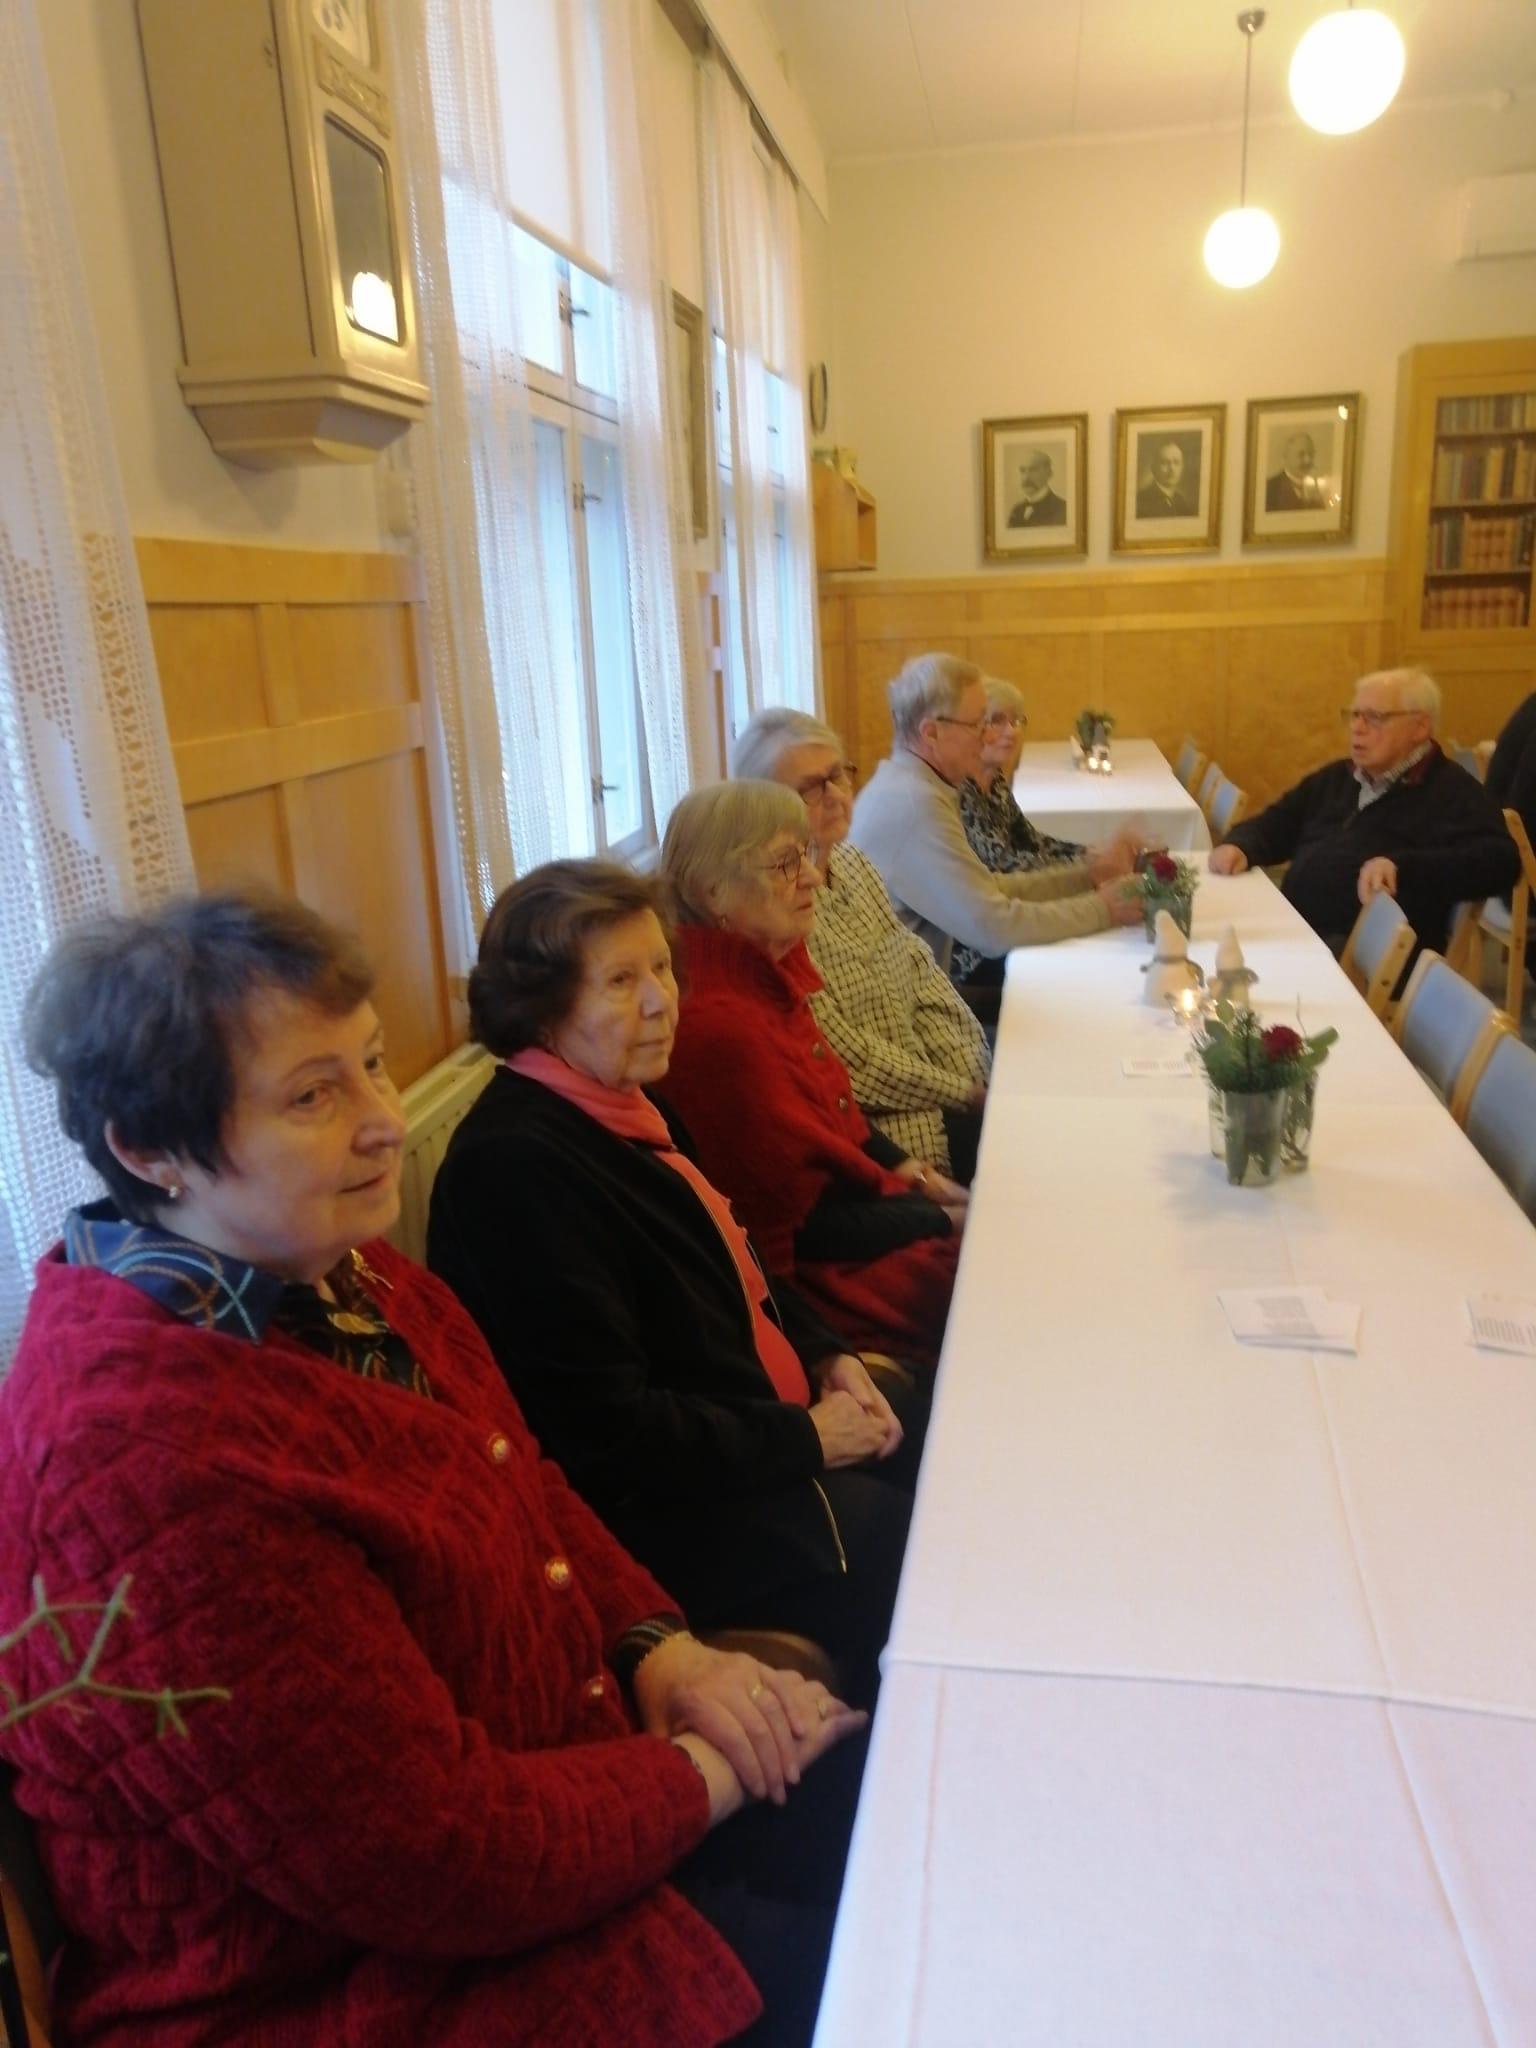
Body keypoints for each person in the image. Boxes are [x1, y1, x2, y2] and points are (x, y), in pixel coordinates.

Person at [1, 891, 866, 2048]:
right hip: (351, 1986)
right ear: (147, 1150)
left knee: (906, 1807)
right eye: (314, 1095)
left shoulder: (347, 1273)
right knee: (910, 1938)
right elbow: (437, 1857)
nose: (382, 1120)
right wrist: (709, 1762)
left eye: (371, 1064)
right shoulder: (137, 1459)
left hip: (551, 1816)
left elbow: (530, 1482)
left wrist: (664, 1647)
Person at [427, 860, 921, 1707]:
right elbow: (607, 1434)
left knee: (932, 1421)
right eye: (622, 981)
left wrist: (829, 1356)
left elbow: (743, 1266)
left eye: (661, 967)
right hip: (662, 1516)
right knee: (909, 1543)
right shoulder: (513, 1169)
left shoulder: (626, 1104)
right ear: (541, 1007)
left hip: (747, 1438)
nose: (662, 1000)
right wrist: (808, 1438)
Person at [659, 781, 964, 1372]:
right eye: (784, 864)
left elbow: (840, 1124)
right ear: (712, 891)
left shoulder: (762, 978)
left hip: (862, 1234)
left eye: (806, 855)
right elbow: (799, 1231)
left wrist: (925, 1181)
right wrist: (944, 1216)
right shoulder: (721, 1028)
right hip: (820, 1292)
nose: (814, 878)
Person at [731, 707, 989, 1181]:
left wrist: (972, 1070)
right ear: (765, 804)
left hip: (939, 1089)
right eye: (811, 788)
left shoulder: (855, 864)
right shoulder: (776, 910)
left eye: (838, 775)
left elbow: (922, 976)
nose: (834, 795)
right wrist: (964, 1094)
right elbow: (848, 1059)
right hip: (881, 1132)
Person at [847, 651, 1143, 980]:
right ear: (931, 733)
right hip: (913, 1001)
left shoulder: (914, 786)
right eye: (977, 724)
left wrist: (1087, 875)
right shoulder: (914, 805)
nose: (987, 736)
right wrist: (1104, 909)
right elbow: (993, 927)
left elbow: (990, 887)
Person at [1208, 668, 1519, 954]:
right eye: (1354, 715)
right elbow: (1279, 821)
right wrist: (1241, 845)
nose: (1357, 728)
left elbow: (1500, 861)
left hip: (1363, 957)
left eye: (1374, 718)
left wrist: (1402, 867)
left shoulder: (1451, 791)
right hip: (1297, 926)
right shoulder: (1339, 777)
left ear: (1420, 727)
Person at [951, 676, 1114, 990]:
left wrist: (1085, 852)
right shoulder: (960, 791)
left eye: (1015, 721)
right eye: (997, 721)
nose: (1011, 731)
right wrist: (1087, 870)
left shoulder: (995, 781)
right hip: (974, 946)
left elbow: (1031, 839)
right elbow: (1002, 864)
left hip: (1012, 911)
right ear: (973, 728)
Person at [1265, 429, 1325, 511]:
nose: (1307, 460)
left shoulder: (1319, 488)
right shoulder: (1269, 489)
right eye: (1301, 454)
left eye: (1311, 454)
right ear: (1285, 458)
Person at [1007, 447, 1067, 527]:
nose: (1026, 477)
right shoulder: (1016, 511)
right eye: (1022, 470)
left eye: (1033, 470)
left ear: (1049, 473)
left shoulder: (1063, 509)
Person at [1136, 439, 1193, 518]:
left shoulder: (1181, 501)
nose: (1172, 469)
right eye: (1165, 462)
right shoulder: (1141, 500)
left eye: (1176, 462)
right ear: (1153, 468)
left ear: (1182, 467)